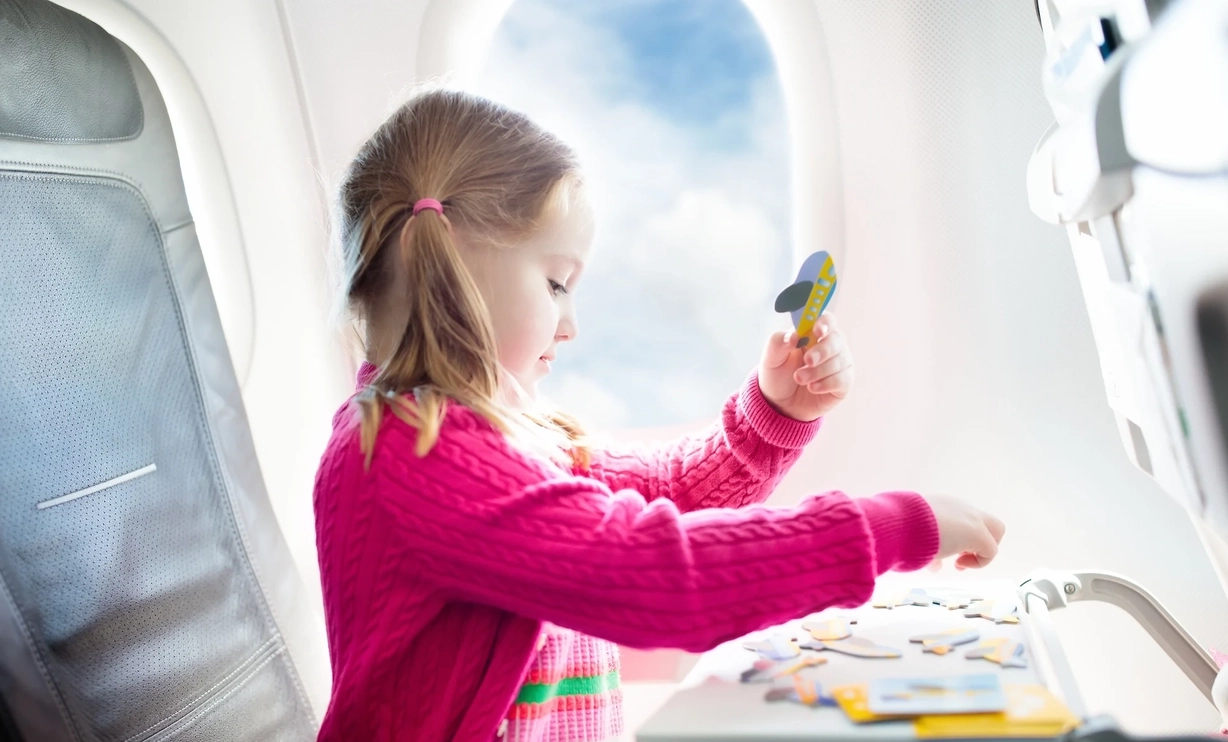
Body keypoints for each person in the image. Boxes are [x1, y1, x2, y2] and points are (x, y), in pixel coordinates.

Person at [312, 88, 1005, 742]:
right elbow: (661, 574)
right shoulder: (412, 456)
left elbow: (661, 492)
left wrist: (770, 416)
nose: (570, 323)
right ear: (441, 259)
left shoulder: (503, 432)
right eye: (556, 282)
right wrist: (892, 528)